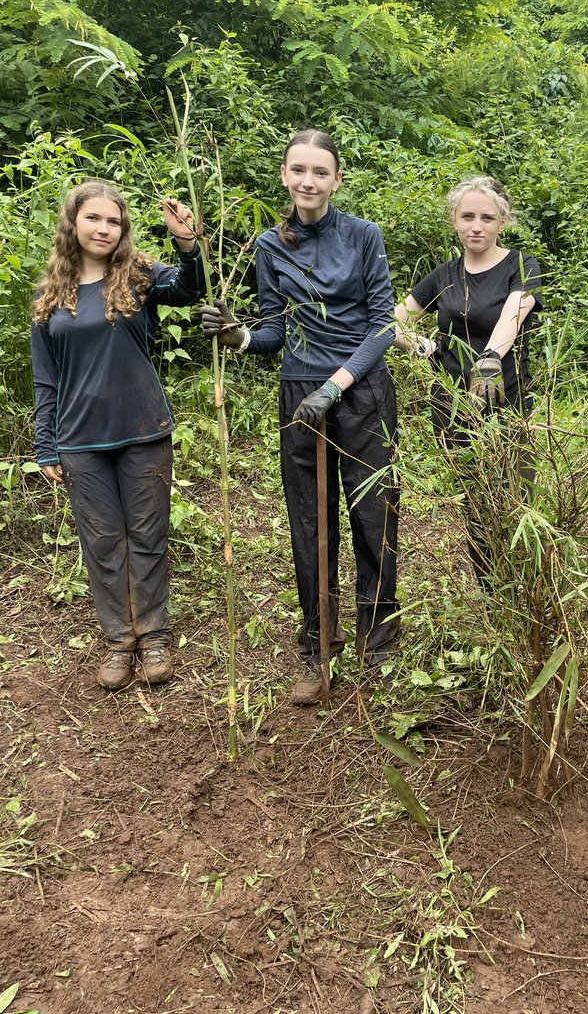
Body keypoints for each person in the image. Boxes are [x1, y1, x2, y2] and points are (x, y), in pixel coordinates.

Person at [201, 129, 398, 706]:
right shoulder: (269, 244)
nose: (309, 181)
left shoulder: (363, 236)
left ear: (336, 179)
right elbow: (272, 327)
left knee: (373, 517)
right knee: (311, 523)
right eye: (298, 171)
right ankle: (317, 644)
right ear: (285, 176)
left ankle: (379, 642)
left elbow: (383, 324)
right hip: (299, 393)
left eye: (320, 172)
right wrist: (237, 337)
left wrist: (337, 385)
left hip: (359, 392)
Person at [31, 180, 203, 690]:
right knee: (102, 543)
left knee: (147, 537)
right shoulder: (49, 296)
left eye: (113, 221)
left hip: (143, 429)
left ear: (123, 228)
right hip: (80, 440)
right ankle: (117, 640)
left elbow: (190, 289)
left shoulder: (138, 275)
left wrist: (187, 243)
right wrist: (46, 444)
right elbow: (46, 377)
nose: (104, 228)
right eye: (94, 219)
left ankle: (153, 636)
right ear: (73, 223)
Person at [394, 176, 542, 585]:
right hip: (454, 406)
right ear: (455, 221)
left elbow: (516, 310)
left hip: (506, 399)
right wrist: (424, 347)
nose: (477, 226)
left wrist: (491, 357)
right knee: (476, 499)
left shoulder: (521, 266)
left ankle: (524, 584)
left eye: (487, 218)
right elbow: (395, 321)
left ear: (501, 222)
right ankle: (490, 587)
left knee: (516, 496)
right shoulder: (443, 275)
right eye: (468, 216)